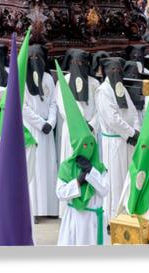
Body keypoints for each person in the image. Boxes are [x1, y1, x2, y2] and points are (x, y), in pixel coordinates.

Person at [55, 62, 109, 246]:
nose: (87, 148)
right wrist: (78, 180)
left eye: (90, 145)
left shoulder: (100, 167)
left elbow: (104, 190)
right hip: (74, 220)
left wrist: (91, 173)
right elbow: (60, 192)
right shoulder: (67, 166)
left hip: (93, 223)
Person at [55, 49, 100, 219]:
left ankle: (88, 199)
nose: (79, 66)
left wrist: (91, 125)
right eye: (75, 63)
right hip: (72, 132)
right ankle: (66, 205)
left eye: (82, 63)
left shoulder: (94, 84)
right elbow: (62, 106)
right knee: (70, 164)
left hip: (89, 132)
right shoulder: (64, 82)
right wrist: (78, 126)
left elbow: (98, 110)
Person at [95, 57, 140, 219]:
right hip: (113, 142)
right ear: (106, 71)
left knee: (126, 178)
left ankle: (125, 213)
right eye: (113, 70)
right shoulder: (104, 90)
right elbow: (112, 119)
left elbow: (133, 111)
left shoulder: (120, 88)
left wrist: (136, 130)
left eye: (119, 70)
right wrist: (130, 132)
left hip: (128, 141)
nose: (117, 73)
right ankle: (112, 217)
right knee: (114, 179)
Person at [21, 45, 59, 219]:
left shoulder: (48, 79)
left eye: (39, 57)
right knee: (33, 169)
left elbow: (53, 102)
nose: (35, 61)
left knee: (48, 167)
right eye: (32, 58)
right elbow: (23, 106)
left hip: (47, 130)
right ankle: (33, 210)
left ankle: (49, 208)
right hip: (32, 130)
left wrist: (50, 122)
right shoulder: (22, 79)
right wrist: (39, 123)